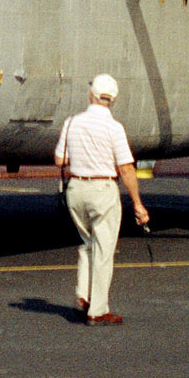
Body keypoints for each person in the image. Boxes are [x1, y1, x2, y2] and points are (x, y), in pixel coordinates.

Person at [54, 73, 149, 326]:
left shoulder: (72, 122)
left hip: (76, 189)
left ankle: (83, 296)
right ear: (113, 99)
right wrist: (138, 204)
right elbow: (127, 168)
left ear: (91, 94)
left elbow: (59, 160)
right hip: (103, 189)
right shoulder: (114, 128)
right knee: (104, 251)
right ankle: (98, 310)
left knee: (87, 243)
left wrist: (83, 159)